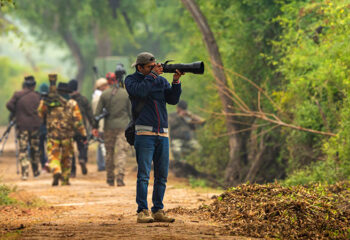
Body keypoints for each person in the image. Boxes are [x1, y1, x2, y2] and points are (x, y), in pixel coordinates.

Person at [125, 52, 184, 223]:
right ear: (140, 67)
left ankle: (158, 209)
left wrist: (176, 81)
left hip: (162, 133)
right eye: (150, 67)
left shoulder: (160, 80)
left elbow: (172, 100)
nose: (155, 69)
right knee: (144, 174)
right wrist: (152, 75)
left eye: (155, 66)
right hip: (144, 133)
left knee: (162, 175)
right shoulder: (131, 80)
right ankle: (142, 211)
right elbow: (141, 92)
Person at [38, 76, 87, 186]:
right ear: (68, 92)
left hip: (52, 136)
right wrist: (83, 134)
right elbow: (78, 121)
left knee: (53, 156)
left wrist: (44, 101)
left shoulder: (49, 102)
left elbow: (40, 114)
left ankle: (56, 170)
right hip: (67, 136)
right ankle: (65, 179)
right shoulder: (72, 103)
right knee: (67, 158)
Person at [92, 72, 131, 187]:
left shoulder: (104, 95)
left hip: (108, 128)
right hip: (123, 127)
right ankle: (120, 177)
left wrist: (95, 127)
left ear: (108, 82)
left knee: (109, 153)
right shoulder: (125, 94)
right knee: (121, 152)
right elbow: (131, 113)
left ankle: (110, 178)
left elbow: (97, 113)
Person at [6, 76, 42, 180]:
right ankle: (35, 171)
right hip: (35, 126)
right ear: (34, 86)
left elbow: (8, 105)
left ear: (24, 85)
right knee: (35, 149)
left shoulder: (17, 95)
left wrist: (17, 111)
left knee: (23, 150)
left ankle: (25, 173)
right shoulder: (37, 96)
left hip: (22, 126)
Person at [68, 79, 95, 177]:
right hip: (81, 128)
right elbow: (90, 115)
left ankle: (72, 171)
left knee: (70, 150)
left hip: (69, 129)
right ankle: (82, 158)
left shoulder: (67, 100)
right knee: (83, 145)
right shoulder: (83, 99)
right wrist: (94, 126)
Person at [91, 78, 109, 171]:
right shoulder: (99, 97)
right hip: (102, 123)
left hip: (99, 123)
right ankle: (102, 164)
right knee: (102, 143)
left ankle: (101, 164)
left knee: (101, 143)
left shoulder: (95, 96)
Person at [38, 83, 49, 173]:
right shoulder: (51, 100)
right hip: (49, 128)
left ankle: (43, 165)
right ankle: (50, 163)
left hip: (40, 128)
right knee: (50, 147)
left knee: (41, 147)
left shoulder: (38, 101)